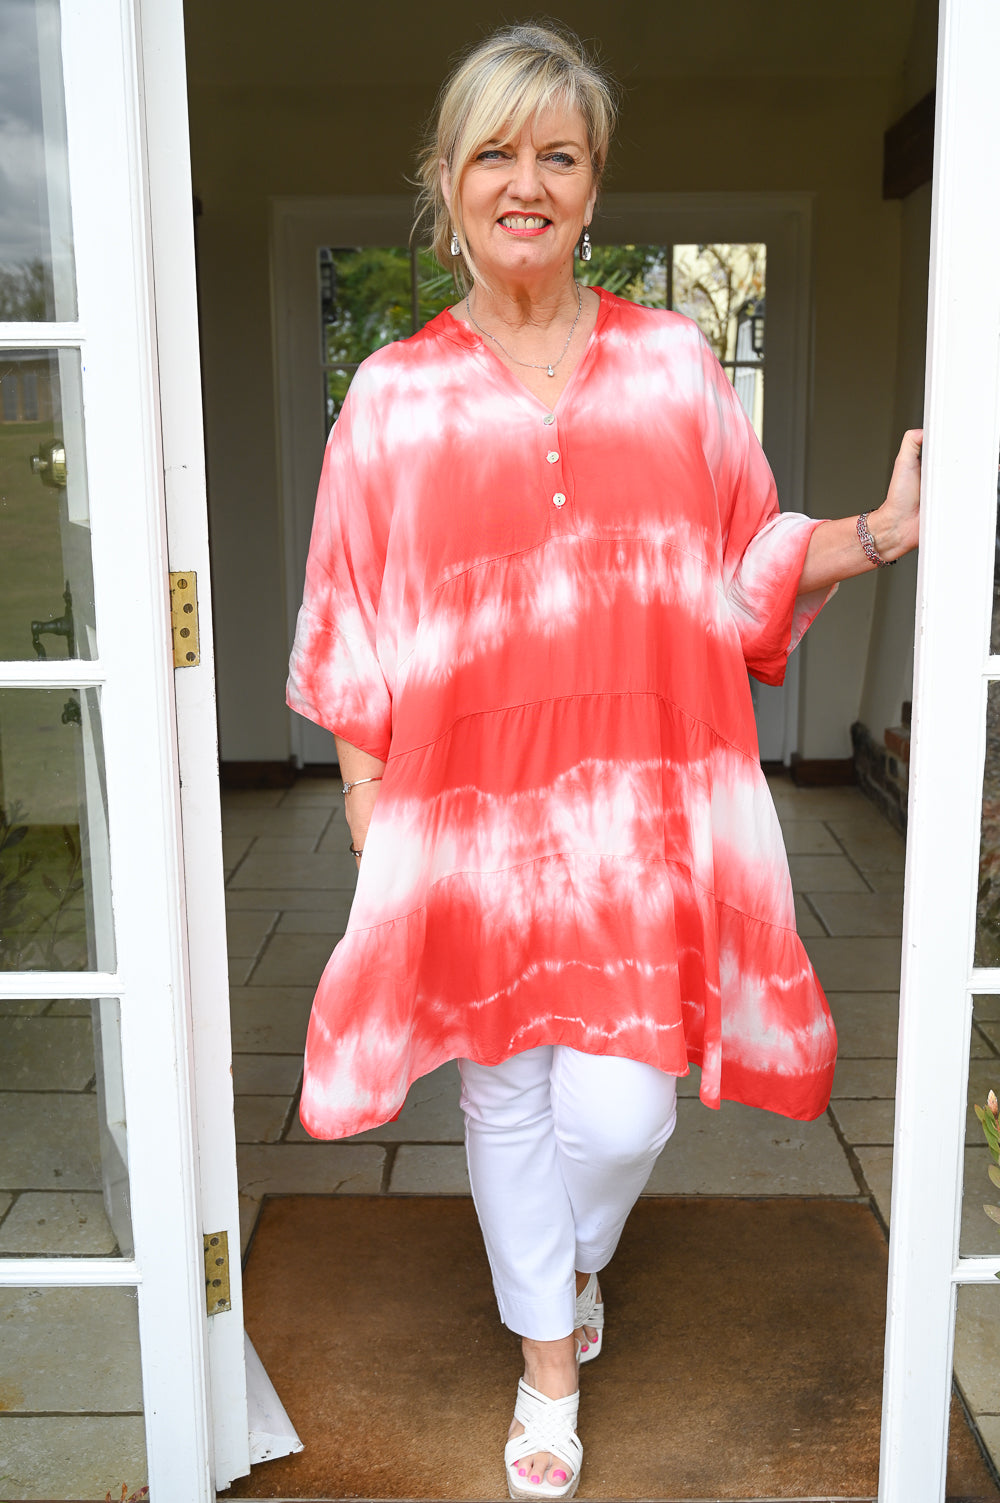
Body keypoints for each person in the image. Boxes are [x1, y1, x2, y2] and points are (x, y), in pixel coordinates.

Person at [286, 23, 922, 1501]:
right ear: (443, 182)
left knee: (624, 1112)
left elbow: (742, 563)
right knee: (504, 1098)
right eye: (495, 153)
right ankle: (548, 1366)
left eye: (556, 155)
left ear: (592, 184)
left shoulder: (673, 365)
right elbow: (348, 611)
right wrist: (373, 809)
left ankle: (559, 1268)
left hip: (636, 817)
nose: (528, 182)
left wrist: (879, 535)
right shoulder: (392, 395)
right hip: (470, 818)